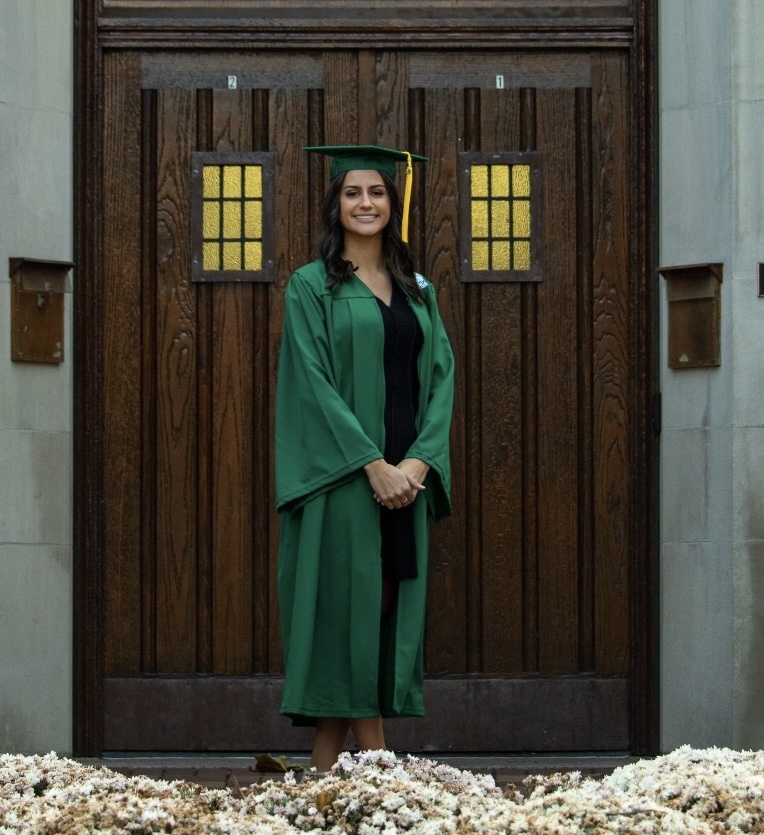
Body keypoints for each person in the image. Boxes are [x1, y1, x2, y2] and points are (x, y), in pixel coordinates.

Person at [275, 145, 455, 772]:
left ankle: (325, 766)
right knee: (345, 610)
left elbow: (441, 376)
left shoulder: (417, 287)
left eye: (377, 193)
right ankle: (376, 758)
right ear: (335, 204)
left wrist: (420, 464)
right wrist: (372, 465)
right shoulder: (312, 285)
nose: (366, 204)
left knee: (378, 605)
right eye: (352, 193)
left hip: (406, 478)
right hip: (345, 479)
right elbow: (313, 385)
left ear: (392, 203)